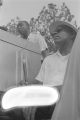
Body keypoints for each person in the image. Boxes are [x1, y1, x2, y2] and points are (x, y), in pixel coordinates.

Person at [51, 28, 80, 120]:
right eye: (55, 31)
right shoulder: (48, 60)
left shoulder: (76, 59)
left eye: (60, 30)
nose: (55, 32)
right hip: (46, 102)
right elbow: (39, 82)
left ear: (72, 34)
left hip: (65, 103)